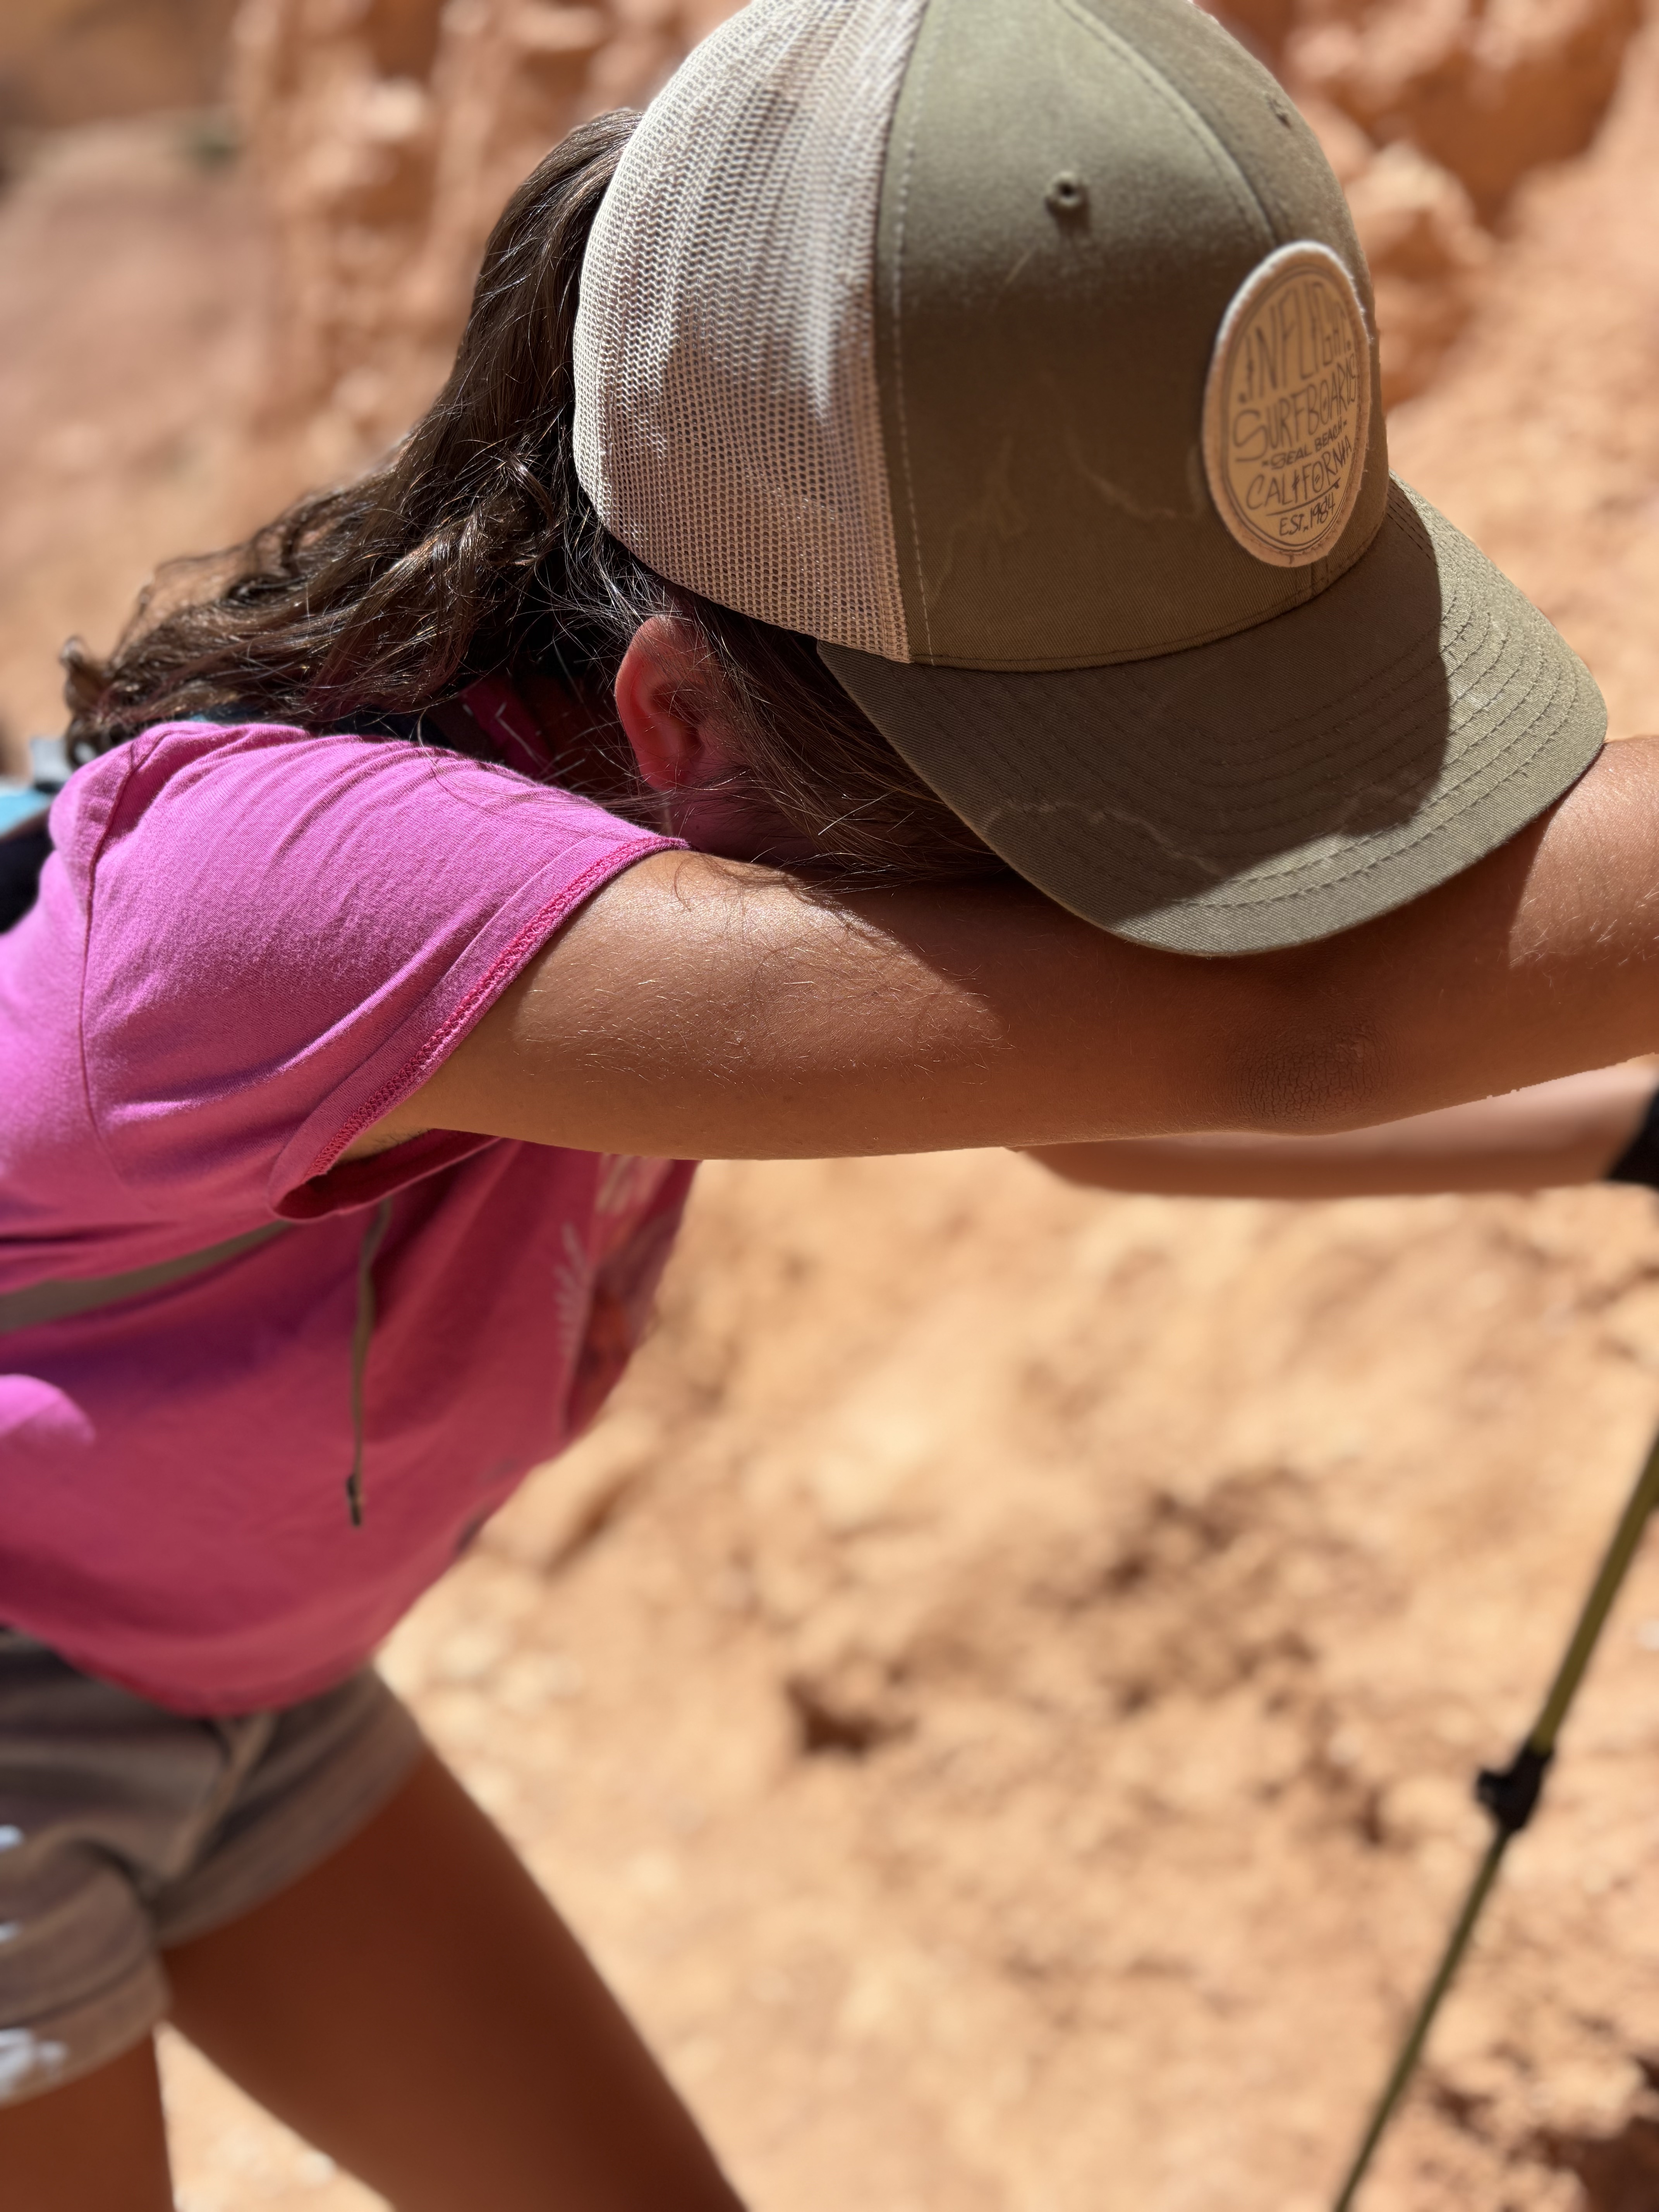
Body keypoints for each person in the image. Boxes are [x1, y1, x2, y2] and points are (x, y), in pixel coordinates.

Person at [7, 0, 1659, 2205]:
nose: (1119, 907)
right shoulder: (289, 894)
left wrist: (1621, 1131)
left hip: (243, 1676)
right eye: (1069, 816)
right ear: (676, 710)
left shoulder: (647, 770)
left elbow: (1085, 1107)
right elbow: (1268, 1031)